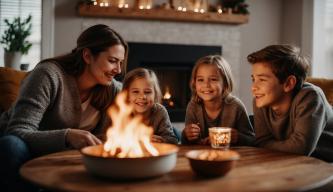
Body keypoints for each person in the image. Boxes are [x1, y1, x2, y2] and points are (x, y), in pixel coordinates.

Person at [0, 24, 127, 191]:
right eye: (112, 61)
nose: (118, 70)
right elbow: (17, 130)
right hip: (28, 150)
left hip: (70, 158)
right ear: (87, 56)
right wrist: (67, 136)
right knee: (11, 145)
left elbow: (138, 115)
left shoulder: (113, 89)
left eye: (120, 62)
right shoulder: (48, 75)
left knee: (172, 134)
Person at [248, 44, 333, 162]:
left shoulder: (311, 97)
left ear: (288, 83)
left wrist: (267, 144)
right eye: (253, 79)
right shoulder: (261, 100)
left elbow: (300, 149)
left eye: (262, 80)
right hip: (293, 162)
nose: (253, 87)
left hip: (326, 165)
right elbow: (261, 141)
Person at [181, 55, 255, 145]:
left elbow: (252, 140)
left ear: (225, 84)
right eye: (200, 80)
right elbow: (186, 143)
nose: (206, 85)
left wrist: (238, 137)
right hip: (202, 156)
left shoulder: (236, 106)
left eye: (213, 79)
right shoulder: (193, 106)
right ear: (194, 84)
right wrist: (186, 134)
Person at [122, 68, 178, 144]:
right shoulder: (121, 113)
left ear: (155, 94)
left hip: (156, 148)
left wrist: (161, 140)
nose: (142, 96)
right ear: (127, 95)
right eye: (135, 91)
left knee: (177, 134)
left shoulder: (160, 111)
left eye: (147, 92)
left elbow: (173, 140)